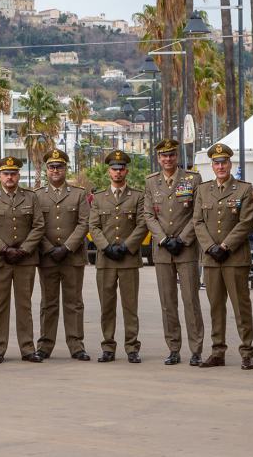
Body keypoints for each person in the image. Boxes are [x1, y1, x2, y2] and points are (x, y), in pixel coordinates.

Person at [192, 143, 253, 370]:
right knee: (215, 306)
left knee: (241, 306)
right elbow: (197, 221)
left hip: (234, 258)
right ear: (212, 166)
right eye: (217, 163)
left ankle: (246, 351)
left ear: (231, 164)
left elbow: (246, 222)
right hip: (211, 259)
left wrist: (226, 246)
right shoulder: (202, 190)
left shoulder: (243, 189)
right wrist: (210, 247)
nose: (220, 166)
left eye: (224, 162)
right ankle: (217, 350)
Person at [143, 139, 204, 366]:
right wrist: (163, 239)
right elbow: (149, 215)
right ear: (158, 158)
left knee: (191, 300)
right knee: (168, 302)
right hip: (162, 251)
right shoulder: (151, 182)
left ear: (177, 156)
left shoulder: (192, 179)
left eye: (171, 155)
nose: (167, 159)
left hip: (186, 249)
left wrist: (182, 238)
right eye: (163, 156)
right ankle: (174, 348)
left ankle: (196, 349)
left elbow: (197, 214)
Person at [0, 156, 45, 364]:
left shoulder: (30, 197)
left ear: (18, 176)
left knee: (24, 305)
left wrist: (24, 250)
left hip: (25, 260)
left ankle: (27, 348)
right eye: (6, 173)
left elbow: (39, 225)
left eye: (13, 173)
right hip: (0, 259)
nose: (10, 177)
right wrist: (4, 249)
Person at [89, 150, 148, 364]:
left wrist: (126, 246)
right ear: (108, 172)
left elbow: (142, 224)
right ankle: (108, 347)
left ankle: (132, 347)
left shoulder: (137, 196)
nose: (118, 172)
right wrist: (105, 247)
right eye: (114, 168)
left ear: (127, 171)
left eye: (121, 168)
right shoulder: (98, 198)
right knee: (107, 305)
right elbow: (93, 226)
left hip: (128, 259)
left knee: (130, 306)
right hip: (106, 260)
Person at [34, 149, 91, 361]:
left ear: (65, 169)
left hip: (72, 256)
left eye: (59, 167)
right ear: (47, 170)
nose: (55, 170)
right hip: (47, 257)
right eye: (51, 167)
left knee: (74, 302)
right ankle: (45, 345)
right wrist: (49, 248)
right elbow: (35, 225)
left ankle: (76, 345)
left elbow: (84, 222)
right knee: (48, 303)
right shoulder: (37, 195)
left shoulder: (78, 194)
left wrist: (67, 247)